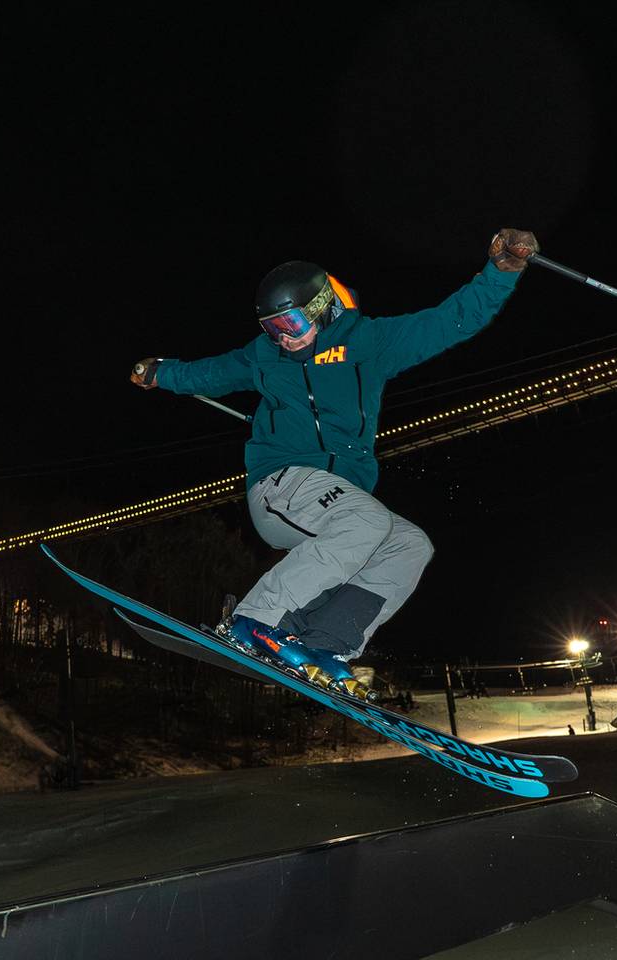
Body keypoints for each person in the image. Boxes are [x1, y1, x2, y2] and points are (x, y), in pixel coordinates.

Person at [131, 229, 539, 698]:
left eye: (293, 325)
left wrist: (502, 271)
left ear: (323, 309)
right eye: (273, 328)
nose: (283, 338)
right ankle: (253, 621)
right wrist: (160, 371)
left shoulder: (369, 342)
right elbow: (209, 372)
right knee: (366, 520)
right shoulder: (262, 356)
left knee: (410, 543)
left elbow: (451, 321)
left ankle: (327, 642)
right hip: (280, 484)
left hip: (338, 500)